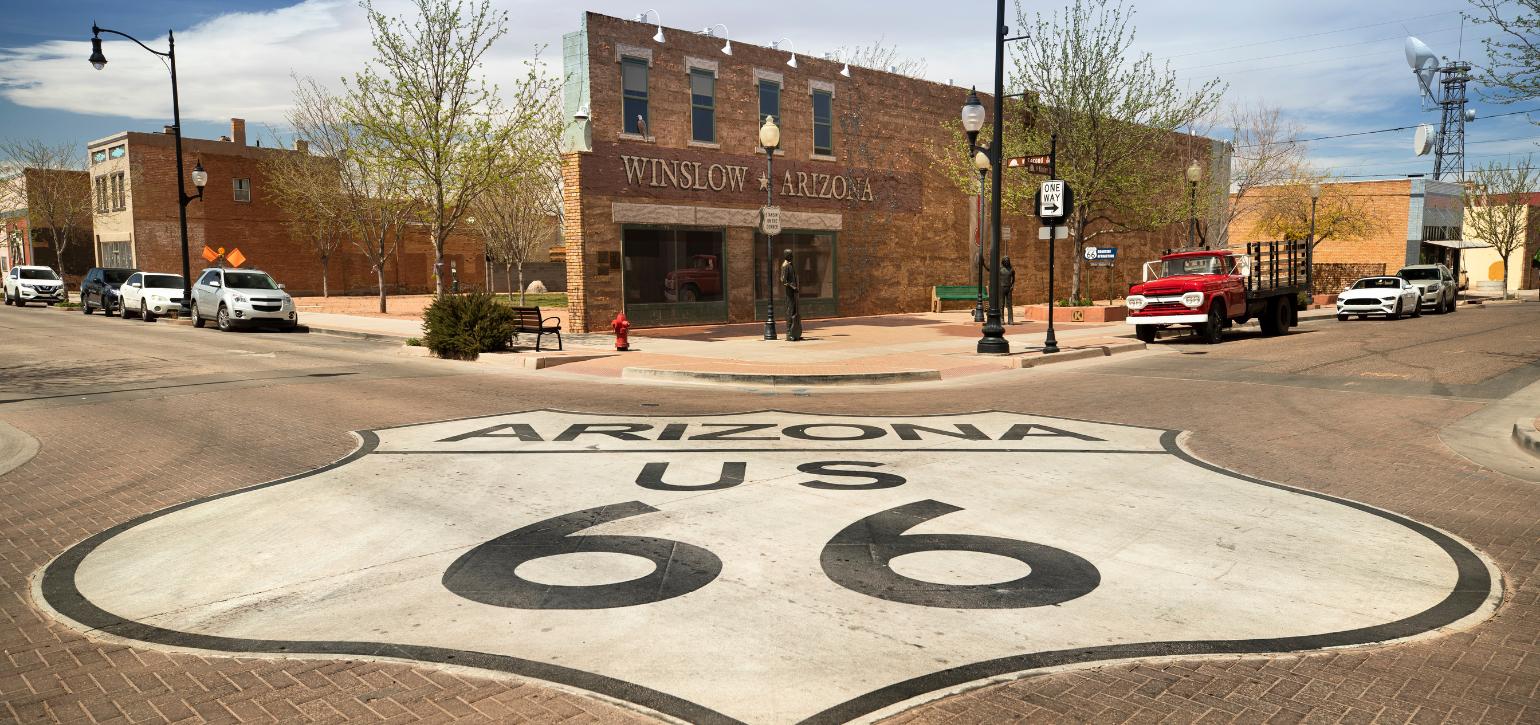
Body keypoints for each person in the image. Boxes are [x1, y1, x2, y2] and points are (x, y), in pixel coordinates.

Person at [781, 249, 802, 341]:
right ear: (787, 256)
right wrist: (793, 287)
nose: (792, 256)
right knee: (790, 311)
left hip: (793, 292)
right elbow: (783, 280)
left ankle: (795, 332)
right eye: (790, 255)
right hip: (789, 292)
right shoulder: (785, 266)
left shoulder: (790, 264)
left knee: (794, 311)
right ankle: (789, 333)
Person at [999, 256, 1016, 325]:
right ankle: (1001, 319)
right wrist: (984, 264)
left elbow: (1013, 279)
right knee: (1001, 304)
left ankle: (1010, 319)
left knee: (1009, 305)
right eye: (1005, 261)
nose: (1007, 262)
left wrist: (1012, 286)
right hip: (1002, 288)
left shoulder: (1011, 270)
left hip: (1009, 288)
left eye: (1008, 261)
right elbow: (990, 270)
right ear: (1003, 261)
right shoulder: (1000, 269)